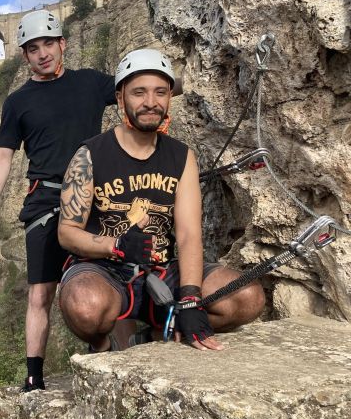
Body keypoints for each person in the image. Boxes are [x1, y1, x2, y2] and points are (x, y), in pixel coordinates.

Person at [56, 49, 265, 352]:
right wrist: (115, 246)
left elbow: (189, 234)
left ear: (169, 98)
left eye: (160, 92)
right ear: (120, 97)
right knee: (86, 307)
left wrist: (191, 299)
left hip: (161, 270)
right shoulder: (89, 155)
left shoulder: (182, 157)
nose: (150, 102)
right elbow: (67, 232)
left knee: (248, 297)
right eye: (139, 92)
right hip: (103, 269)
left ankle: (156, 335)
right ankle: (104, 344)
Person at [0, 9, 116, 391]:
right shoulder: (18, 102)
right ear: (25, 56)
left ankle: (111, 357)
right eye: (33, 48)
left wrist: (167, 89)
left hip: (94, 198)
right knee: (40, 292)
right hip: (45, 200)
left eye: (48, 44)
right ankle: (34, 375)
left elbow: (136, 87)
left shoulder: (90, 83)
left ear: (62, 45)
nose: (42, 53)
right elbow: (3, 155)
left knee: (113, 277)